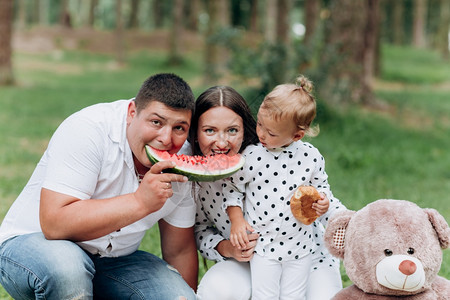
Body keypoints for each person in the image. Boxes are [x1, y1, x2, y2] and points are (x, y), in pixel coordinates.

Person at [0, 73, 198, 300]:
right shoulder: (88, 129)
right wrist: (139, 202)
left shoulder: (183, 160)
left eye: (179, 128)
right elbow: (54, 223)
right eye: (156, 122)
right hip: (35, 248)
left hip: (114, 262)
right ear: (132, 112)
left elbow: (179, 250)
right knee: (68, 270)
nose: (166, 138)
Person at [190, 85, 345, 300]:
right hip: (255, 259)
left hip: (307, 254)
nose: (222, 142)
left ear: (245, 128)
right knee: (221, 290)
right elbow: (200, 231)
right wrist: (227, 248)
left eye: (232, 130)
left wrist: (345, 219)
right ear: (195, 133)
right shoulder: (194, 180)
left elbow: (323, 193)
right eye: (209, 130)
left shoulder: (269, 152)